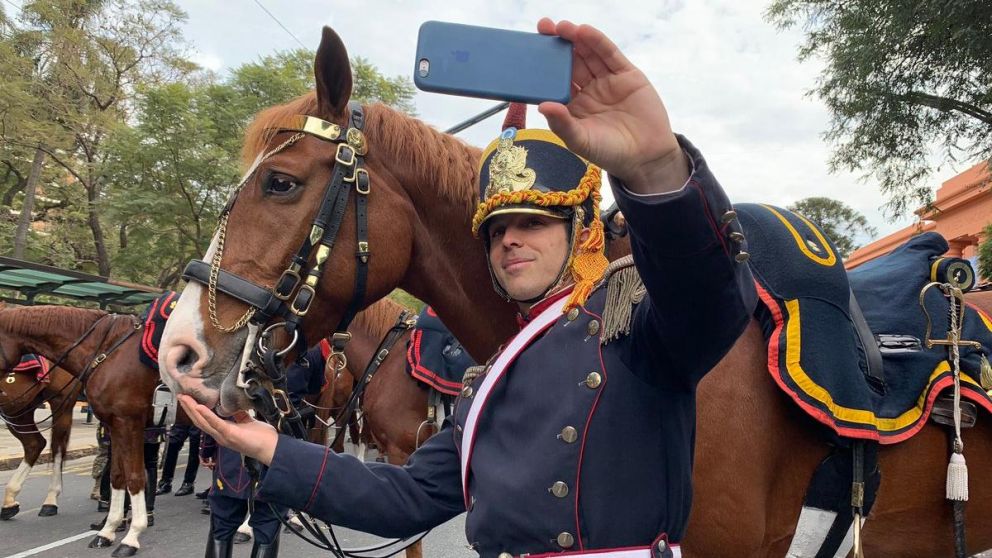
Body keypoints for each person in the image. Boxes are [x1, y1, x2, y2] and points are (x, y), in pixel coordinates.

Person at [181, 18, 756, 558]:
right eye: (496, 230)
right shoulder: (489, 379)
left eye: (533, 223)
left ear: (579, 231)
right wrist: (270, 448)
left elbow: (709, 296)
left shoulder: (638, 330)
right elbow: (404, 499)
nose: (510, 241)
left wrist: (656, 167)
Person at [201, 344, 326, 558]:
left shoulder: (237, 342)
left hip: (235, 446)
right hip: (280, 448)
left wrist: (207, 447)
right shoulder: (310, 349)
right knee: (268, 526)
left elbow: (214, 398)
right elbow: (316, 388)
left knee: (222, 524)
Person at [156, 423, 201, 496]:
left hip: (198, 417)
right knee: (172, 444)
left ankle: (188, 483)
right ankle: (165, 482)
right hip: (182, 417)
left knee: (195, 448)